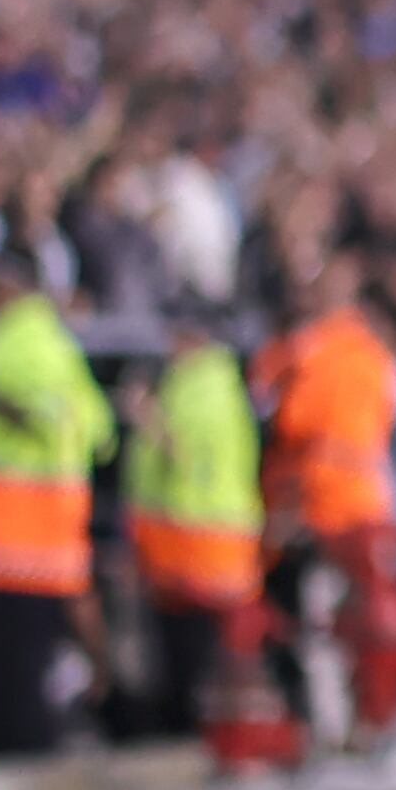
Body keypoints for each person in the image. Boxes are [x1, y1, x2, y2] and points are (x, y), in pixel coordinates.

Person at [0, 250, 112, 761]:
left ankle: (24, 752)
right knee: (18, 663)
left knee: (12, 669)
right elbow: (96, 432)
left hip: (16, 539)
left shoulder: (26, 342)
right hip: (28, 540)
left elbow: (44, 419)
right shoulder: (44, 340)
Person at [255, 254, 396, 748]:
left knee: (326, 622)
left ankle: (338, 726)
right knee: (374, 621)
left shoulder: (305, 352)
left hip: (320, 507)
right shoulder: (374, 355)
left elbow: (284, 420)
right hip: (364, 504)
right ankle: (374, 720)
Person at [123, 305, 265, 741]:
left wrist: (145, 416)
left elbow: (182, 456)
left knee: (203, 650)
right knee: (209, 650)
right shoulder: (203, 385)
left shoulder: (204, 390)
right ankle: (213, 728)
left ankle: (210, 732)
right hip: (194, 542)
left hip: (202, 542)